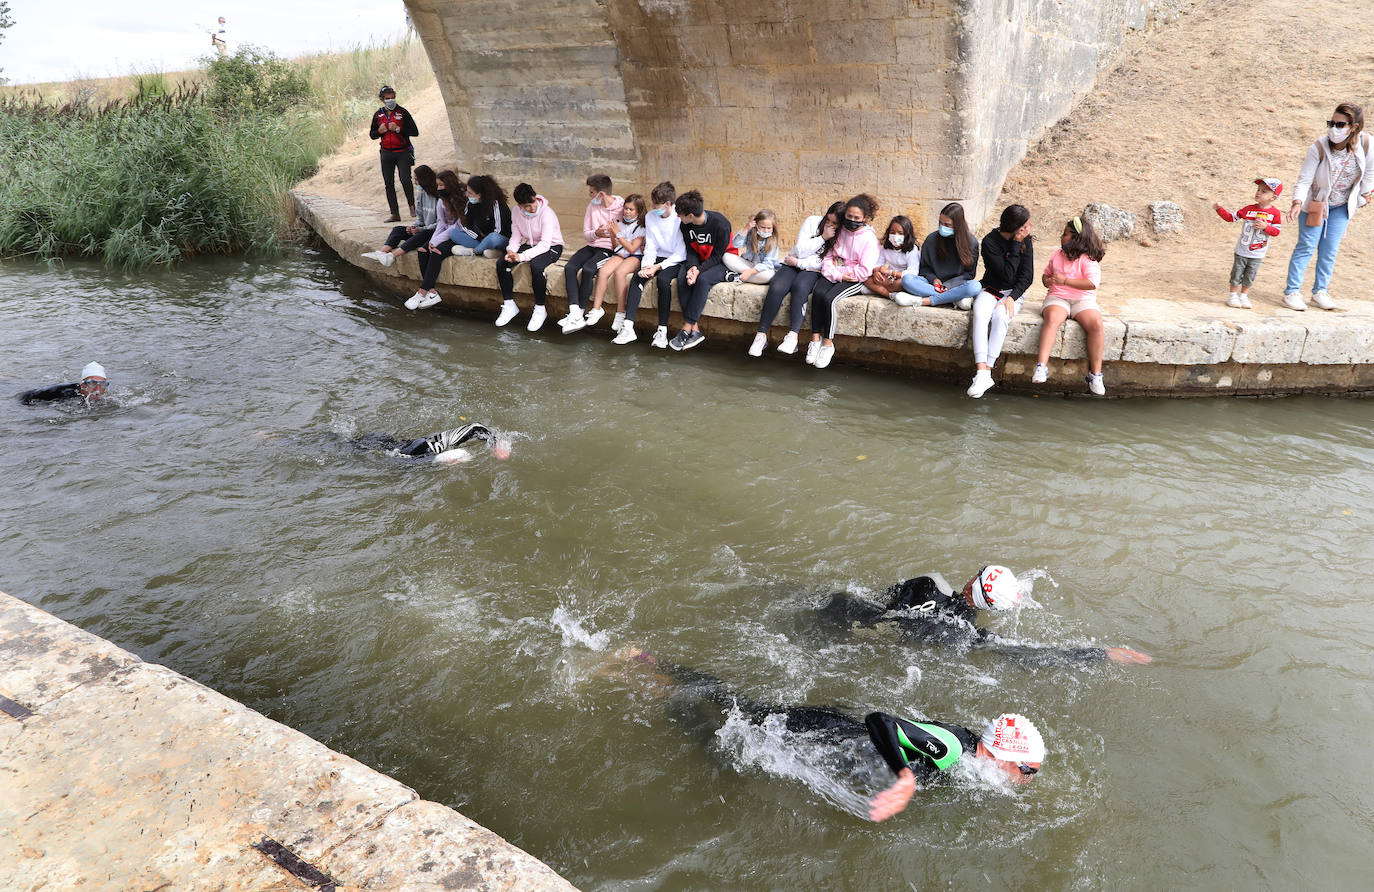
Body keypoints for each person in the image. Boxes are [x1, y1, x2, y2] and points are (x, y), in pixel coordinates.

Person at [611, 649, 1045, 822]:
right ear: (1004, 755)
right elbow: (881, 721)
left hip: (835, 732)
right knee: (731, 713)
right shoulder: (953, 748)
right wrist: (906, 777)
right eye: (1027, 771)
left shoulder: (969, 756)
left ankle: (658, 681)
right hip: (820, 732)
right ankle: (645, 662)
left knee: (731, 713)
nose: (1026, 780)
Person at [814, 566, 1152, 667]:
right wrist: (1101, 654)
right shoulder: (965, 633)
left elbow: (883, 601)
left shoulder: (930, 582)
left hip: (838, 606)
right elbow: (1027, 652)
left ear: (972, 582)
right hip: (844, 642)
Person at [1281, 103, 1374, 311]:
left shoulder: (1367, 143)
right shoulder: (1319, 147)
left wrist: (1366, 194)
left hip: (1341, 206)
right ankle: (1291, 292)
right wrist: (1297, 202)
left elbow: (1370, 172)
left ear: (1354, 127)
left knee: (1329, 249)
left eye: (1340, 124)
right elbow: (1304, 179)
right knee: (1306, 245)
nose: (1334, 128)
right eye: (1331, 123)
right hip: (1316, 204)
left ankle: (1320, 291)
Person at [753, 201, 844, 356]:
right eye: (827, 220)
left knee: (800, 287)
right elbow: (800, 249)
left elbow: (825, 263)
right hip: (791, 262)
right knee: (777, 286)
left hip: (811, 269)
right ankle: (761, 335)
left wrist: (800, 263)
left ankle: (792, 336)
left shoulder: (842, 235)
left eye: (834, 223)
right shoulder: (812, 222)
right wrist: (822, 237)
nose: (829, 225)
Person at [1031, 216, 1107, 395]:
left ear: (1076, 239)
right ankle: (1041, 366)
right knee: (1053, 318)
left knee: (1096, 324)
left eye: (1065, 234)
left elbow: (1092, 283)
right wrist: (1047, 281)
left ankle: (1096, 374)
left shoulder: (1088, 259)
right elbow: (1045, 275)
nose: (1061, 237)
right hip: (1058, 297)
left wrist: (1065, 281)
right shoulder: (1057, 254)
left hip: (1083, 300)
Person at [967, 204, 1035, 399]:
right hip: (991, 288)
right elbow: (1005, 274)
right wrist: (1015, 245)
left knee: (1000, 317)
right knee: (980, 313)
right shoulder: (990, 241)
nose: (1029, 226)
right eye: (1025, 224)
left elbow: (1027, 276)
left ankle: (988, 368)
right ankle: (981, 372)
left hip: (1014, 293)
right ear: (1015, 227)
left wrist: (1013, 298)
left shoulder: (1026, 241)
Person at [805, 194, 880, 370]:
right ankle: (815, 340)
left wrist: (842, 273)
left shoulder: (869, 239)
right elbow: (828, 257)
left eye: (856, 218)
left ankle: (828, 344)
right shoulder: (840, 232)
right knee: (818, 293)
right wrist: (837, 273)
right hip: (835, 274)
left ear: (865, 219)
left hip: (854, 278)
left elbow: (864, 270)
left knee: (830, 299)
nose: (852, 221)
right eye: (849, 217)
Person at [620, 181, 687, 348]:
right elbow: (650, 245)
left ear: (668, 204)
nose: (652, 207)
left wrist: (658, 268)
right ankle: (628, 327)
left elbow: (681, 252)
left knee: (663, 281)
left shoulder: (680, 218)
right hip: (656, 257)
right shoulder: (650, 216)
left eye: (656, 205)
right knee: (637, 278)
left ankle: (662, 331)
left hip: (675, 259)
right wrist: (646, 266)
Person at [495, 182, 564, 331]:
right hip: (531, 244)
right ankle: (509, 304)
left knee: (537, 266)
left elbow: (545, 244)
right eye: (526, 206)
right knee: (502, 263)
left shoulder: (547, 214)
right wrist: (511, 251)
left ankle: (540, 309)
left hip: (552, 246)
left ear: (535, 197)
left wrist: (522, 256)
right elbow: (516, 235)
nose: (531, 207)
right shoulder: (516, 212)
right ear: (519, 206)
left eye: (532, 202)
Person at [561, 174, 624, 333]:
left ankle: (580, 312)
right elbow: (586, 234)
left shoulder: (622, 208)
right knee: (570, 267)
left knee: (589, 269)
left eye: (591, 192)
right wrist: (596, 233)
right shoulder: (592, 206)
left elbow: (625, 234)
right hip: (592, 245)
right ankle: (575, 312)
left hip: (608, 250)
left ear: (601, 194)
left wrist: (612, 235)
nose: (589, 195)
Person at [670, 190, 732, 351]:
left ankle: (686, 328)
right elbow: (691, 251)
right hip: (698, 261)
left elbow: (718, 255)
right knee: (683, 278)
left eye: (680, 214)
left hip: (722, 261)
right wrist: (692, 268)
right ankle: (695, 331)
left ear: (690, 215)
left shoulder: (721, 223)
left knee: (703, 280)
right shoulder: (685, 225)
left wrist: (699, 271)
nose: (678, 217)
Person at [1213, 178, 1283, 310]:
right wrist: (1219, 209)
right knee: (1237, 273)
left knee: (1250, 275)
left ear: (1273, 197)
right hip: (1242, 250)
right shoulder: (1248, 209)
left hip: (1258, 252)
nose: (1258, 193)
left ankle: (1244, 296)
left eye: (1264, 191)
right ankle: (1233, 295)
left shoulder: (1275, 213)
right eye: (1258, 190)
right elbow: (1231, 217)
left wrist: (1265, 227)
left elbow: (1276, 231)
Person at [901, 202, 981, 309]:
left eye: (947, 225)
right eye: (940, 223)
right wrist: (933, 279)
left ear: (957, 225)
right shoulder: (931, 239)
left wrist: (949, 285)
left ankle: (929, 300)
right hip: (932, 285)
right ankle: (953, 299)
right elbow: (924, 268)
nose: (942, 227)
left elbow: (969, 274)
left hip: (956, 285)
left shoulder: (971, 243)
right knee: (907, 280)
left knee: (975, 287)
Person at [588, 193, 647, 332]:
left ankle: (620, 313)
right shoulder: (619, 222)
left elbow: (632, 248)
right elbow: (616, 247)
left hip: (635, 256)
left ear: (638, 211)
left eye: (631, 209)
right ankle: (596, 309)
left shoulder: (641, 227)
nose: (627, 211)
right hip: (620, 254)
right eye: (626, 208)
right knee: (603, 271)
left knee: (620, 273)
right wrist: (613, 234)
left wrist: (618, 234)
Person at [408, 169, 464, 311]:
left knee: (437, 251)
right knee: (423, 250)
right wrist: (433, 240)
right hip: (444, 232)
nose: (438, 188)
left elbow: (458, 225)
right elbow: (441, 223)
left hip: (460, 234)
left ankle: (422, 292)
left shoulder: (461, 198)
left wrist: (437, 241)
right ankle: (432, 292)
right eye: (437, 185)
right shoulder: (441, 200)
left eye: (441, 185)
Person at [363, 165, 440, 268]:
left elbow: (441, 223)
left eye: (416, 179)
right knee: (398, 229)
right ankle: (382, 253)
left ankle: (392, 256)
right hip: (422, 229)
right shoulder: (421, 194)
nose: (415, 182)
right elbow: (420, 217)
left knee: (421, 235)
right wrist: (413, 227)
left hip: (433, 232)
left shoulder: (439, 197)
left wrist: (420, 229)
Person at [369, 85, 419, 223]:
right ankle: (394, 214)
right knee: (388, 183)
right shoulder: (378, 115)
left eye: (393, 98)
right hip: (386, 153)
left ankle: (412, 206)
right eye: (387, 98)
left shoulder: (402, 112)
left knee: (405, 179)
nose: (390, 100)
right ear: (382, 99)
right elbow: (372, 135)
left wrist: (398, 129)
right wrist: (379, 131)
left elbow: (415, 131)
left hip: (402, 151)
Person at [354, 423, 511, 464]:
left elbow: (475, 427)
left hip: (401, 447)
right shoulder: (425, 452)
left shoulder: (436, 444)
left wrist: (497, 442)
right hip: (397, 455)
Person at [448, 174, 511, 259]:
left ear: (480, 194)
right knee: (454, 233)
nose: (467, 195)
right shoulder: (471, 204)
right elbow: (466, 224)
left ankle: (473, 251)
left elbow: (499, 231)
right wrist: (478, 237)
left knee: (493, 238)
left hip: (499, 239)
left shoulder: (496, 204)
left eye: (470, 193)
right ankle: (486, 250)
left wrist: (486, 239)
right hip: (481, 239)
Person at [863, 215, 919, 303]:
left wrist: (892, 273)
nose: (895, 236)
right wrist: (876, 271)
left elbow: (913, 272)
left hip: (900, 279)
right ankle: (890, 295)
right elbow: (878, 263)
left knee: (904, 283)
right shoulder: (886, 248)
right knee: (866, 278)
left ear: (907, 235)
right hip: (888, 279)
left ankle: (880, 290)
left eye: (900, 233)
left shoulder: (912, 249)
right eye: (892, 232)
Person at [725, 209, 782, 286]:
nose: (765, 230)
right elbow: (736, 244)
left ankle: (738, 276)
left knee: (768, 275)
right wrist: (746, 228)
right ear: (756, 225)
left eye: (769, 228)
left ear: (773, 228)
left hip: (761, 270)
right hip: (749, 264)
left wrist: (750, 272)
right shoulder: (750, 233)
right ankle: (747, 276)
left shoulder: (773, 241)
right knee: (726, 256)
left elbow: (768, 264)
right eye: (762, 227)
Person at [20, 362, 109, 405]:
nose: (97, 389)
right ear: (82, 385)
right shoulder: (65, 395)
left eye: (102, 384)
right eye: (92, 383)